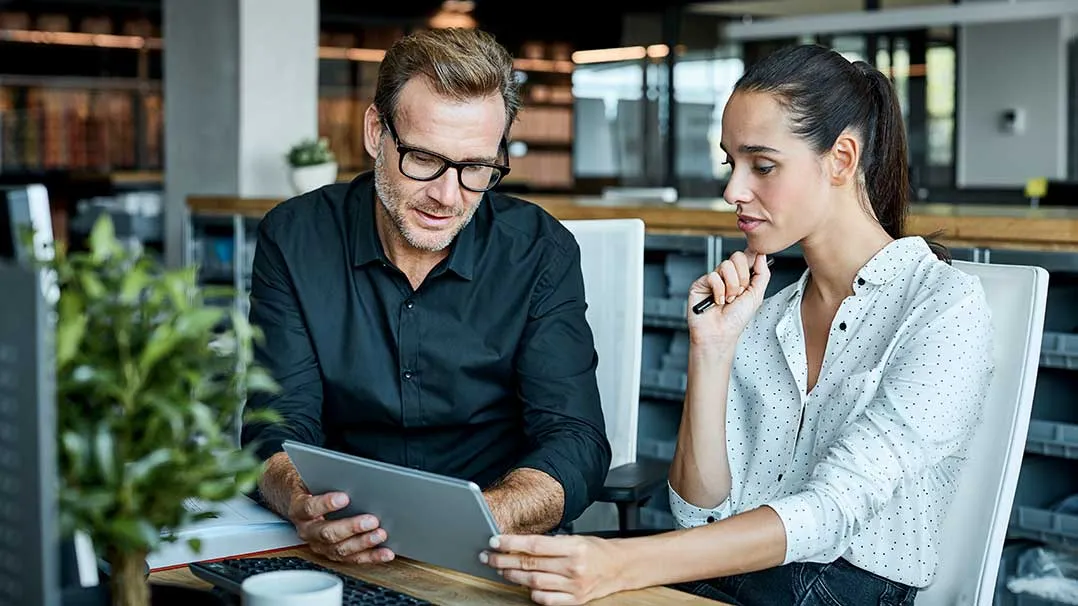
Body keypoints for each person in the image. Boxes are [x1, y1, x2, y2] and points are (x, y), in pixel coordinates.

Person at [482, 44, 994, 606]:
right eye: (732, 164)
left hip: (844, 586)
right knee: (511, 580)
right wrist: (713, 350)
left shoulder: (945, 306)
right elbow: (698, 513)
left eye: (763, 165)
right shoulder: (765, 313)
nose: (732, 191)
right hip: (737, 574)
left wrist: (622, 563)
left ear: (842, 159)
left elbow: (830, 512)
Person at [240, 27, 611, 567]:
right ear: (375, 132)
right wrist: (302, 502)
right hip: (340, 541)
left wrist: (484, 517)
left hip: (495, 544)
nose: (447, 195)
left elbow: (575, 440)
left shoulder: (540, 252)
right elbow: (275, 424)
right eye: (423, 159)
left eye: (476, 168)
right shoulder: (295, 238)